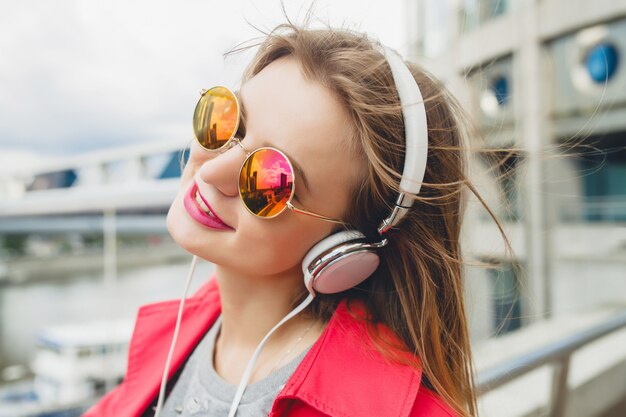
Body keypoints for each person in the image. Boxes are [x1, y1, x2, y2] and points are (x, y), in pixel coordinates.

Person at [84, 22, 490, 417]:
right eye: (227, 122)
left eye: (271, 179)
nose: (211, 172)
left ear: (346, 248)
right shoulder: (172, 338)